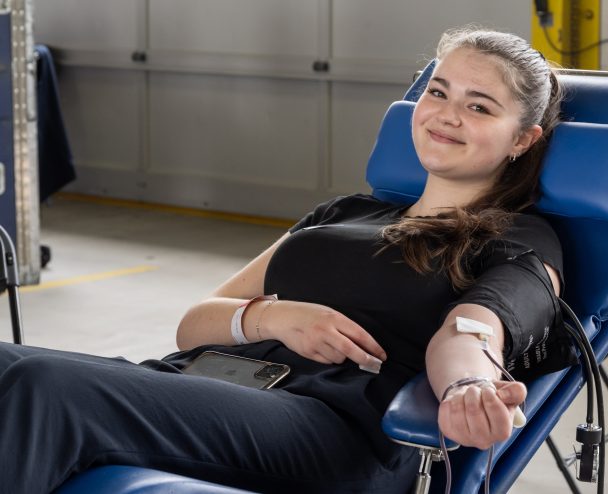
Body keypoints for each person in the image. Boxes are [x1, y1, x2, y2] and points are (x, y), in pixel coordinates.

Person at [0, 27, 566, 493]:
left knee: (43, 386)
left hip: (331, 429)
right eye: (438, 92)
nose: (446, 114)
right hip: (218, 386)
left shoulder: (522, 240)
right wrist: (273, 318)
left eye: (479, 106)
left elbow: (471, 332)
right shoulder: (346, 212)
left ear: (522, 138)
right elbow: (195, 323)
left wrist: (468, 386)